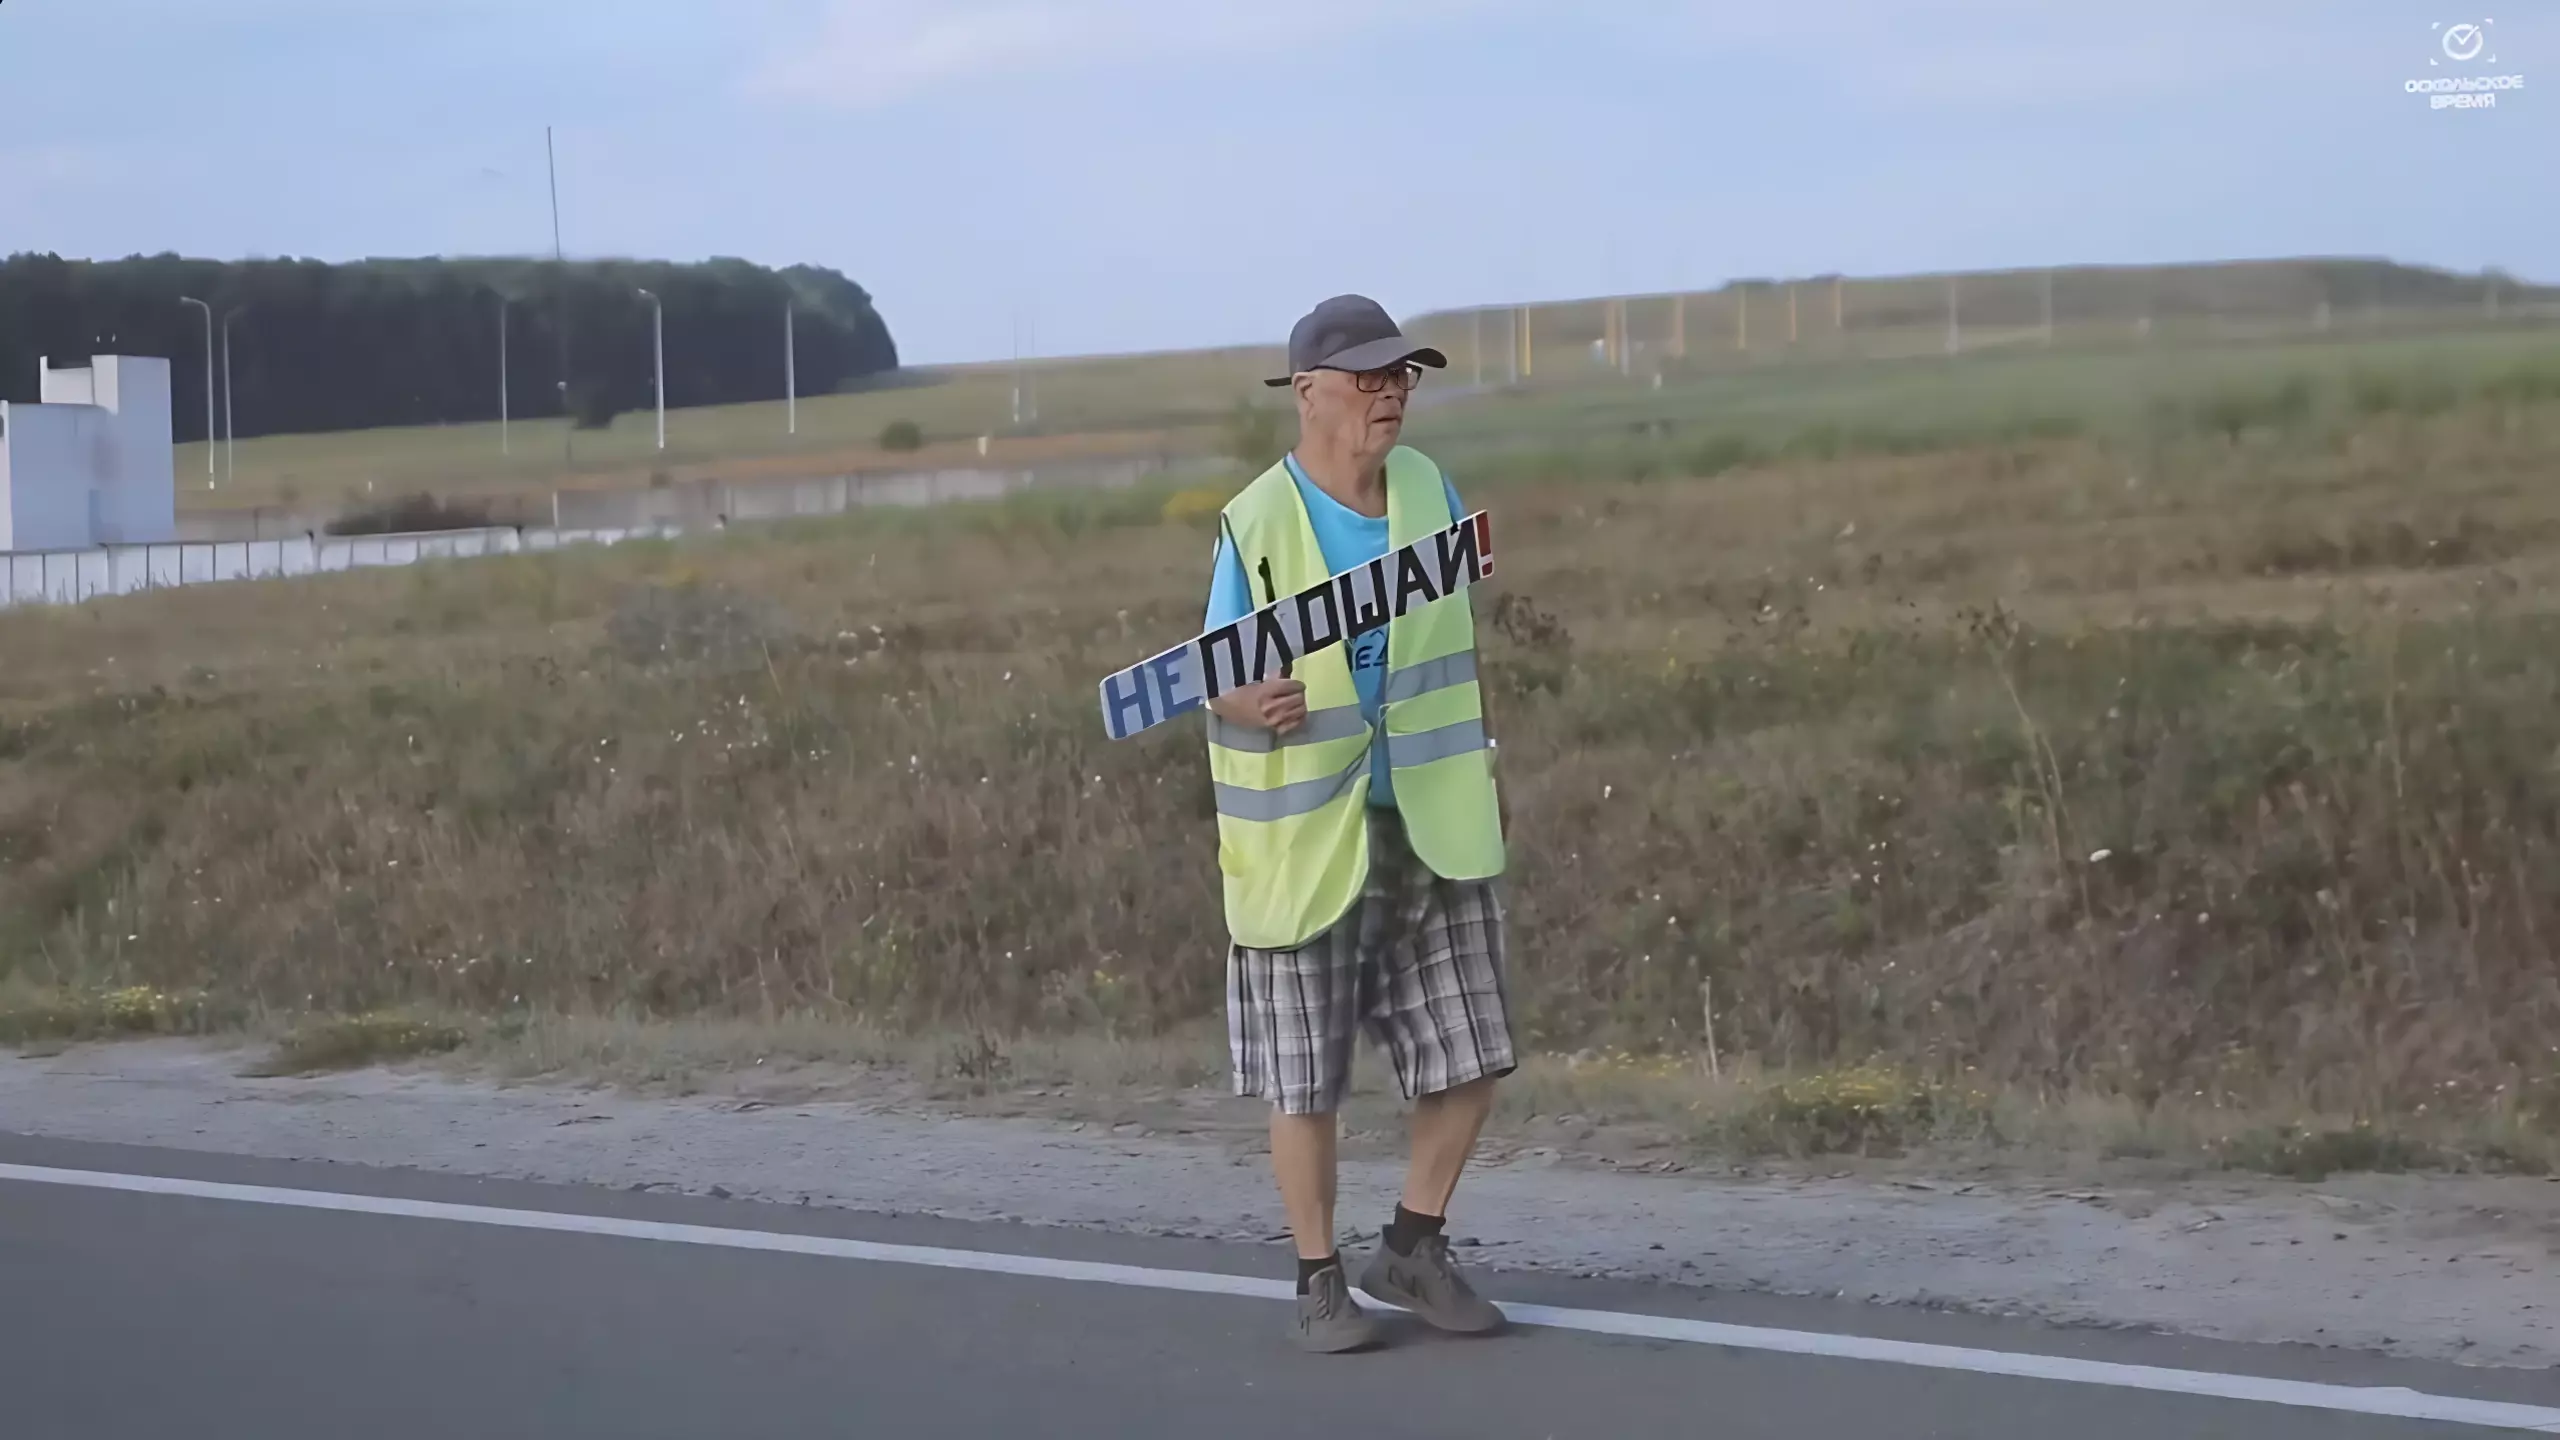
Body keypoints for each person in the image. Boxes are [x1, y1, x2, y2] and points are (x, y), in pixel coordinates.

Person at [1201, 294, 1514, 1353]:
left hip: (1432, 818)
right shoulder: (1256, 522)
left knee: (1472, 1052)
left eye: (1403, 377)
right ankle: (1317, 1278)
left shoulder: (1429, 490)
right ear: (1309, 394)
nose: (1393, 394)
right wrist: (1242, 697)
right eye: (1371, 378)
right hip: (1305, 836)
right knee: (1307, 1074)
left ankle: (1413, 1247)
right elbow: (1213, 671)